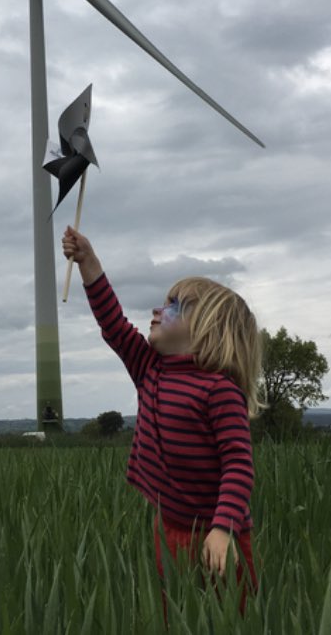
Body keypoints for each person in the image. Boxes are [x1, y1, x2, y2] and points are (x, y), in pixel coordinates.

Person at [61, 226, 264, 616]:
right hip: (170, 525)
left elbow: (238, 464)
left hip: (217, 532)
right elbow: (114, 325)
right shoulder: (150, 369)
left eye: (174, 305)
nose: (158, 309)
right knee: (173, 613)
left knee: (228, 616)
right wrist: (89, 263)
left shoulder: (219, 390)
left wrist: (223, 529)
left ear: (208, 329)